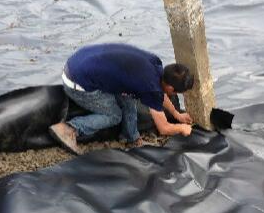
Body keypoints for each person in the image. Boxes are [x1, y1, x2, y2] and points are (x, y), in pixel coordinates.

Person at [49, 43, 194, 154]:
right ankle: (70, 129)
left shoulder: (155, 64)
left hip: (78, 61)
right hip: (77, 82)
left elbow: (159, 95)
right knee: (114, 115)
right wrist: (182, 128)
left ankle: (130, 138)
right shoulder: (150, 87)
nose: (173, 95)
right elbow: (164, 128)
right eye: (175, 93)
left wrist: (177, 115)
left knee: (129, 97)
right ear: (170, 88)